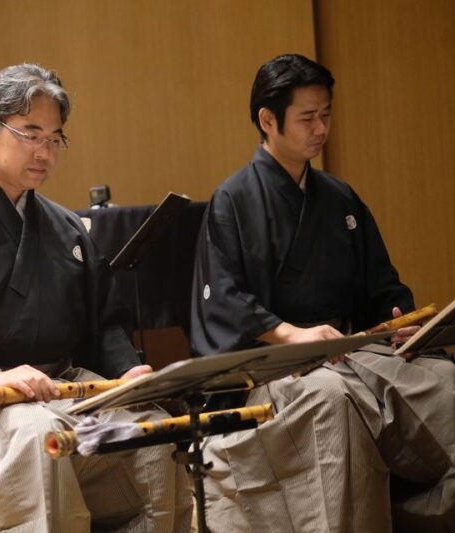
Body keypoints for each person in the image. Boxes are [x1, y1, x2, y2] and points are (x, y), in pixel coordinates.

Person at [0, 63, 191, 532]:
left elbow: (102, 322)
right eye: (30, 133)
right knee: (40, 435)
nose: (44, 151)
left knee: (150, 430)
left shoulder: (66, 229)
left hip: (61, 386)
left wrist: (128, 372)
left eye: (54, 138)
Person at [190, 53, 455, 532]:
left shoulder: (339, 197)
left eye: (326, 115)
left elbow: (381, 284)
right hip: (275, 368)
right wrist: (291, 335)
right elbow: (224, 301)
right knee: (332, 398)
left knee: (446, 384)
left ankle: (421, 517)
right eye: (307, 118)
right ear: (267, 121)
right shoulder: (234, 198)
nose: (320, 129)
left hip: (349, 351)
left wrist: (402, 318)